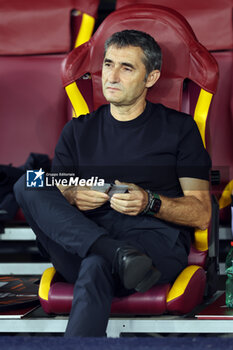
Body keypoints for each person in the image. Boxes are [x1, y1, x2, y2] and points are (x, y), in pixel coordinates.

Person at [14, 29, 212, 337]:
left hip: (151, 244)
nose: (111, 76)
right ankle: (112, 250)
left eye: (126, 67)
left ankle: (109, 253)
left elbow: (201, 213)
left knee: (96, 265)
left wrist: (150, 202)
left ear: (152, 77)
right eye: (108, 64)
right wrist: (70, 194)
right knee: (29, 179)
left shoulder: (180, 129)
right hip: (82, 238)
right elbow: (50, 181)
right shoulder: (77, 130)